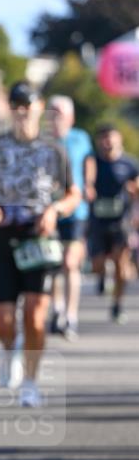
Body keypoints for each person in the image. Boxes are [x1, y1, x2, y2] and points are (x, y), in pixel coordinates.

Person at [0, 81, 80, 407]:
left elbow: (73, 194)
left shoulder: (54, 150)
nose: (22, 111)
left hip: (38, 236)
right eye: (16, 105)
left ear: (39, 107)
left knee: (35, 314)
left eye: (27, 105)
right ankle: (10, 347)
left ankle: (31, 383)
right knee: (2, 320)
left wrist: (55, 210)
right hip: (2, 237)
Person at [44, 96, 95, 340]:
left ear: (70, 117)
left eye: (60, 113)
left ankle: (71, 316)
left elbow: (89, 163)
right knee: (53, 263)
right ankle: (57, 309)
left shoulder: (80, 138)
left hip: (76, 209)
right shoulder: (41, 140)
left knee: (70, 262)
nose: (56, 118)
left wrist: (89, 184)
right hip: (48, 210)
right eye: (52, 113)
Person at [87, 123, 138, 324]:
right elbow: (85, 183)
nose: (107, 142)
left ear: (119, 139)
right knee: (97, 265)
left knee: (121, 266)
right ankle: (101, 276)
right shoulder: (92, 162)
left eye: (111, 137)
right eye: (103, 138)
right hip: (97, 221)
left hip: (121, 221)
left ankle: (117, 305)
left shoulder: (129, 163)